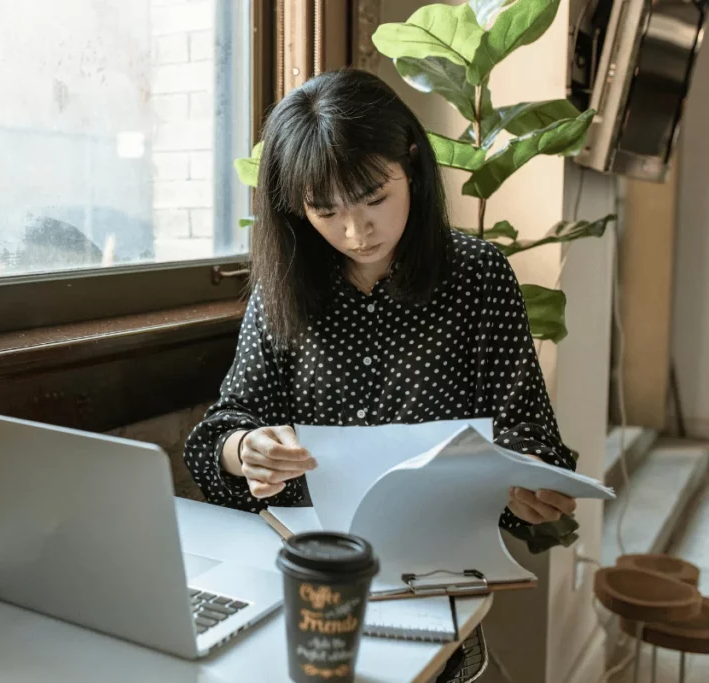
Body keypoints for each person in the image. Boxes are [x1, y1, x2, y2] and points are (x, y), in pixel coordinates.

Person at [183, 68, 577, 533]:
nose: (356, 231)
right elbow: (219, 431)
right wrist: (246, 450)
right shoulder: (285, 284)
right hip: (311, 547)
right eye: (326, 211)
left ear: (411, 163)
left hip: (440, 544)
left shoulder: (478, 275)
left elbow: (527, 427)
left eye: (374, 198)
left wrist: (527, 477)